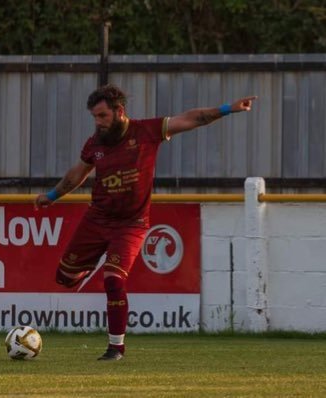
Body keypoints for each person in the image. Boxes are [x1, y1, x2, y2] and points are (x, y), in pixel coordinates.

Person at [35, 84, 257, 360]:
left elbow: (191, 118)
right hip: (97, 219)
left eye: (102, 116)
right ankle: (92, 263)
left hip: (131, 224)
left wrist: (228, 109)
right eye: (94, 117)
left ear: (119, 111)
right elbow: (76, 175)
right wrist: (53, 195)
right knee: (64, 278)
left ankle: (116, 347)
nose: (98, 122)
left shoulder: (147, 131)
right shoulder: (95, 143)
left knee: (113, 280)